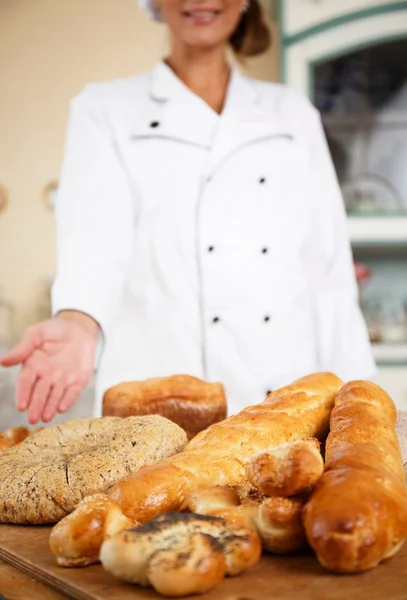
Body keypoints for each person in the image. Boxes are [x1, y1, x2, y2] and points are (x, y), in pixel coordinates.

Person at [0, 0, 376, 425]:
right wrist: (78, 322)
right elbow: (94, 237)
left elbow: (327, 272)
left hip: (284, 400)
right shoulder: (106, 109)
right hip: (155, 406)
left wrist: (359, 399)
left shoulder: (291, 114)